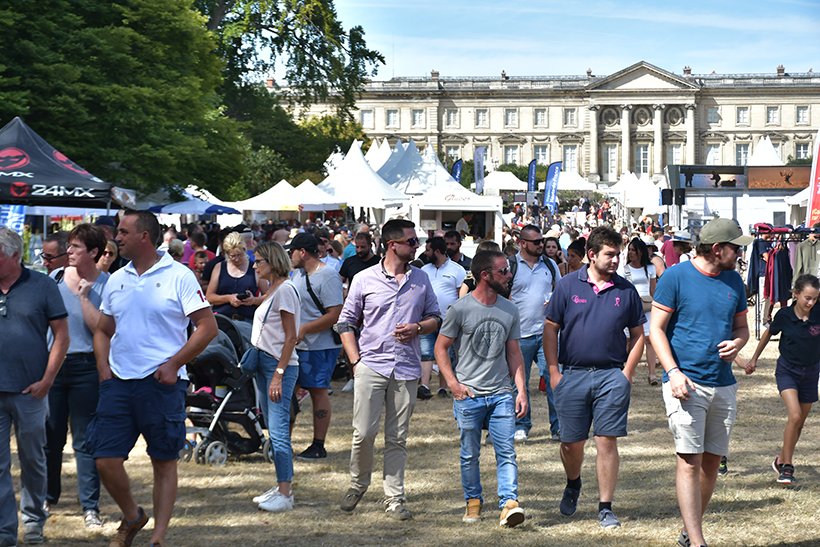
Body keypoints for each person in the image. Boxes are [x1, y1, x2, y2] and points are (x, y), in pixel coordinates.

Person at [86, 210, 217, 547]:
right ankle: (133, 516)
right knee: (105, 460)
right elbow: (102, 330)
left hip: (161, 385)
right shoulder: (117, 279)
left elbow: (207, 327)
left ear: (144, 236)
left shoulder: (179, 276)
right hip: (118, 383)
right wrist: (104, 369)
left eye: (123, 232)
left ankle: (157, 538)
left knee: (163, 460)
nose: (117, 237)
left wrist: (174, 364)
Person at [649, 218, 752, 547]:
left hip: (723, 383)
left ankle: (688, 530)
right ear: (718, 249)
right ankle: (697, 541)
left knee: (711, 463)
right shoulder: (675, 277)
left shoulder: (735, 280)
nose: (740, 253)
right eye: (736, 247)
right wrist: (673, 372)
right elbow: (656, 330)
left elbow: (742, 330)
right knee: (689, 461)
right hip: (685, 382)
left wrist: (738, 344)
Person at [335, 219, 441, 520]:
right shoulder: (365, 279)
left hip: (406, 368)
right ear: (392, 244)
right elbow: (345, 323)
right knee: (363, 433)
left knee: (397, 438)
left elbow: (436, 317)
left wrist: (418, 327)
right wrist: (355, 362)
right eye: (411, 241)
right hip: (371, 364)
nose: (417, 246)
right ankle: (358, 484)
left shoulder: (420, 279)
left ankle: (394, 499)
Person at [543, 226, 645, 530]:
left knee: (606, 442)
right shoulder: (566, 286)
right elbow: (551, 328)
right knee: (571, 444)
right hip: (571, 376)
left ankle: (605, 506)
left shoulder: (626, 290)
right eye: (610, 254)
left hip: (611, 376)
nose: (616, 260)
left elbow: (639, 335)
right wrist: (553, 372)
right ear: (592, 255)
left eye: (618, 254)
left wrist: (626, 374)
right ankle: (573, 483)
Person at [435, 250, 528, 527]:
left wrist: (520, 390)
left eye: (509, 270)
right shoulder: (459, 308)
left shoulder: (510, 309)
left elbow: (514, 354)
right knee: (469, 454)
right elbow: (441, 347)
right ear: (485, 275)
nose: (509, 275)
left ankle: (509, 503)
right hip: (469, 396)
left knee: (506, 451)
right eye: (503, 271)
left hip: (501, 394)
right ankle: (473, 502)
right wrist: (453, 384)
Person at [0, 227, 69, 546]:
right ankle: (4, 531)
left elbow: (62, 336)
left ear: (15, 255)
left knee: (33, 460)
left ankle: (34, 524)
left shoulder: (42, 285)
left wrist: (47, 380)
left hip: (31, 390)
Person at [45, 224, 109, 530]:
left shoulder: (108, 285)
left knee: (85, 441)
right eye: (68, 246)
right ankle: (48, 497)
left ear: (93, 252)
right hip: (54, 368)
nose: (67, 252)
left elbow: (103, 330)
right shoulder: (54, 280)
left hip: (87, 367)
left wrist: (85, 298)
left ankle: (90, 508)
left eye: (75, 247)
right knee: (51, 436)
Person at [737, 274, 820, 486]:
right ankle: (787, 467)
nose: (811, 303)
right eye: (807, 298)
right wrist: (754, 359)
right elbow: (767, 335)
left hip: (811, 372)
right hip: (787, 371)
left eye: (815, 299)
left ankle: (780, 458)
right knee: (794, 415)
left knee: (799, 423)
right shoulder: (784, 315)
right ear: (796, 294)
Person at [249, 242, 301, 512]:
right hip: (269, 363)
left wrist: (279, 373)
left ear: (272, 261)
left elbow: (291, 336)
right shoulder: (274, 291)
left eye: (259, 261)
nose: (254, 265)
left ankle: (285, 491)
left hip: (278, 365)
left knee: (279, 430)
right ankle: (282, 486)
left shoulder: (285, 291)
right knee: (273, 426)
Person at [287, 233, 344, 461]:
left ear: (302, 252)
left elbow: (334, 315)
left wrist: (304, 329)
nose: (289, 255)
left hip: (320, 346)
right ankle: (282, 443)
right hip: (299, 345)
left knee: (317, 391)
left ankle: (318, 445)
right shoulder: (297, 274)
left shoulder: (328, 276)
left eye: (292, 251)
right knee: (288, 391)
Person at [508, 224, 561, 442]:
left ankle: (558, 427)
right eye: (536, 242)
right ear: (522, 243)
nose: (541, 245)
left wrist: (555, 302)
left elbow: (561, 289)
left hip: (547, 333)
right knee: (519, 383)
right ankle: (521, 425)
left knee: (554, 380)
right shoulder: (511, 265)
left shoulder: (549, 264)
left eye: (542, 241)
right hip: (519, 335)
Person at [419, 236, 465, 399]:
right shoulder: (424, 270)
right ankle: (424, 386)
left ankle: (442, 388)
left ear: (437, 251)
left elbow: (462, 295)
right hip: (428, 319)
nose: (425, 253)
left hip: (449, 321)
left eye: (428, 250)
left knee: (446, 353)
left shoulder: (457, 270)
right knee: (426, 353)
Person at [206, 232, 268, 331]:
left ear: (245, 250)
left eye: (240, 255)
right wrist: (228, 298)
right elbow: (209, 297)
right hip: (223, 321)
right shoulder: (219, 267)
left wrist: (254, 300)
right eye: (233, 256)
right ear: (227, 254)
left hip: (248, 322)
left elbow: (268, 296)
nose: (237, 259)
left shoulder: (255, 268)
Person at [617, 237, 658, 385]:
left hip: (647, 307)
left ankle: (652, 374)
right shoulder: (623, 269)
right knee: (629, 341)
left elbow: (653, 289)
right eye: (630, 250)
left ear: (641, 252)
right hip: (630, 307)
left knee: (649, 340)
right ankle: (630, 371)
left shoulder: (650, 268)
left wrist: (656, 306)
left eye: (634, 250)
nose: (631, 253)